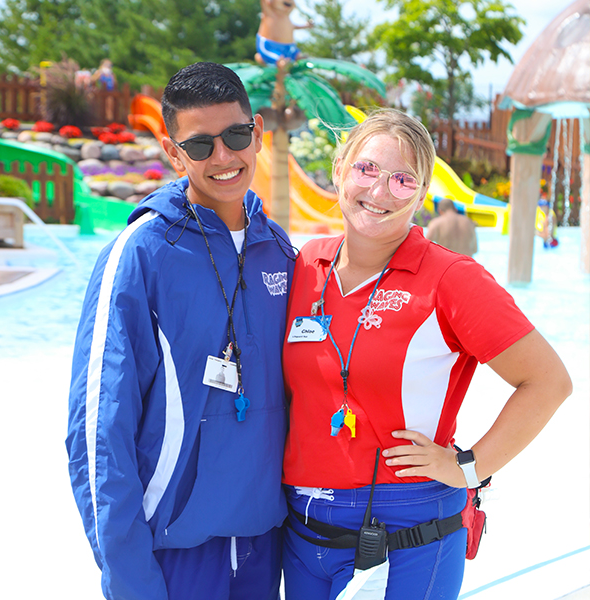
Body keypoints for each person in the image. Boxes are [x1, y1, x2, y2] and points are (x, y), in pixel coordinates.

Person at [281, 109, 572, 600]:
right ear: (339, 169)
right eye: (367, 169)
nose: (378, 192)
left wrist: (470, 468)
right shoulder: (308, 264)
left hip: (408, 536)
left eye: (402, 180)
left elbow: (549, 382)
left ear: (421, 196)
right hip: (304, 532)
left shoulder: (451, 279)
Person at [66, 62, 295, 600]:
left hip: (264, 548)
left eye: (236, 136)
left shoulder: (279, 250)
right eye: (199, 145)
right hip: (172, 557)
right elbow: (98, 431)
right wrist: (129, 579)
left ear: (257, 132)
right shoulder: (141, 254)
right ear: (174, 153)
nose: (223, 157)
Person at [255, 0, 313, 66]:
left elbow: (293, 27)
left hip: (289, 47)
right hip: (270, 46)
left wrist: (306, 25)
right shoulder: (270, 12)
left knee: (297, 55)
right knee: (279, 60)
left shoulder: (287, 18)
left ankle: (297, 58)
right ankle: (280, 66)